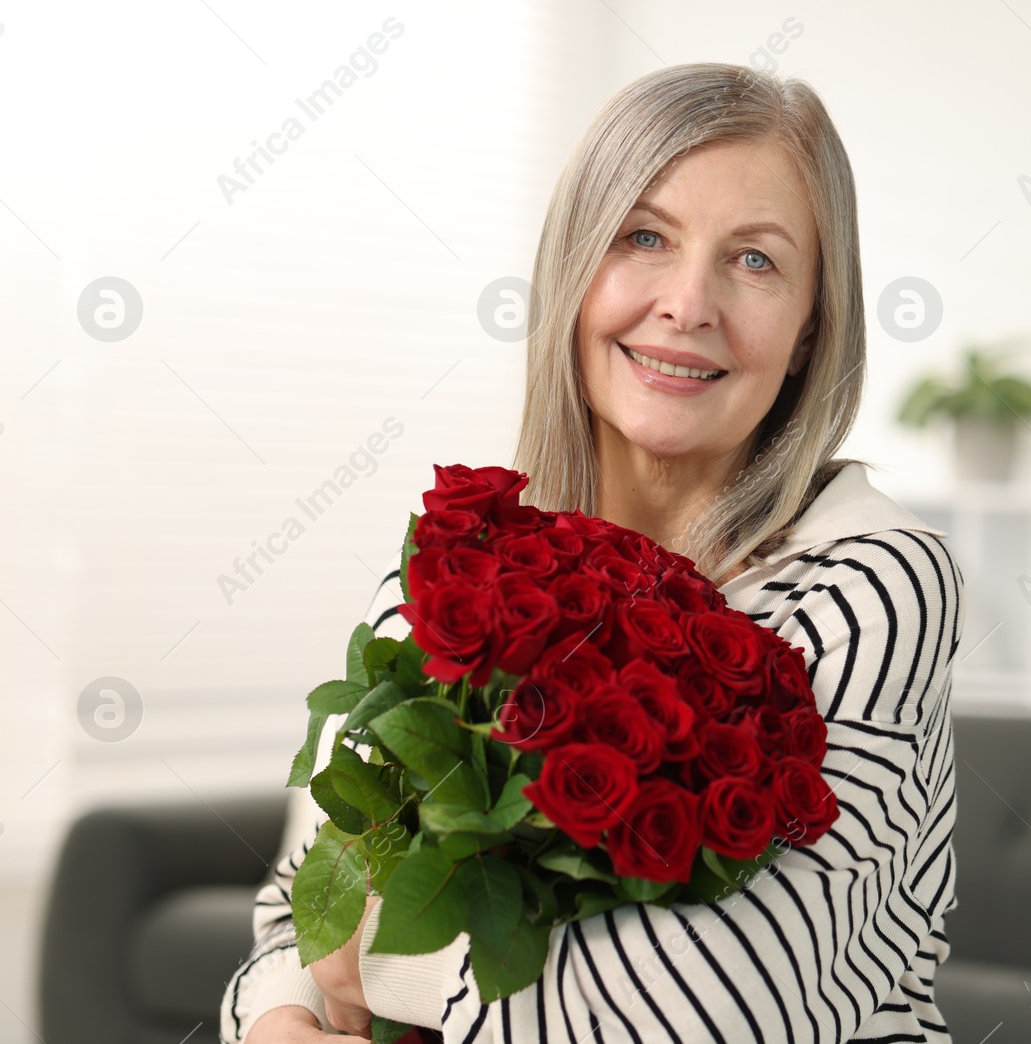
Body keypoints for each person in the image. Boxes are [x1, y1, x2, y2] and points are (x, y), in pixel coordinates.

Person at [222, 60, 965, 1044]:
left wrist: (367, 951)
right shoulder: (452, 582)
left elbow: (706, 1014)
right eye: (644, 237)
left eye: (754, 259)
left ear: (808, 328)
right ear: (573, 271)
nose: (688, 302)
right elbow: (290, 912)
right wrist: (276, 1016)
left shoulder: (872, 582)